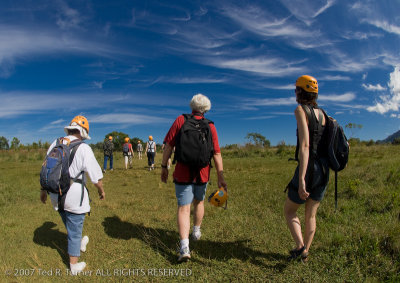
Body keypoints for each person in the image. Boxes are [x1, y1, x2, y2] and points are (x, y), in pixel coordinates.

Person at [161, 93, 227, 262]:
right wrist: (220, 176)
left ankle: (184, 247)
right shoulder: (210, 126)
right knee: (199, 202)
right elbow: (217, 153)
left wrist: (164, 167)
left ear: (192, 107)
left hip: (182, 171)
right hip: (203, 173)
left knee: (183, 208)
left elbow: (169, 146)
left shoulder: (180, 120)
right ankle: (196, 231)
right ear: (206, 109)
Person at [40, 115, 105, 275]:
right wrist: (101, 191)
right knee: (75, 230)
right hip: (74, 196)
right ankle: (74, 266)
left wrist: (43, 190)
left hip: (56, 194)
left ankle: (79, 242)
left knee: (70, 224)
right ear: (83, 133)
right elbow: (96, 178)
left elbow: (45, 169)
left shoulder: (54, 143)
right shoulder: (84, 148)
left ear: (69, 128)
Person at [284, 75, 330, 262]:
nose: (295, 92)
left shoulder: (300, 110)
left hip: (310, 167)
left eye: (296, 89)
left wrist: (302, 178)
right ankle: (305, 253)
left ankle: (300, 247)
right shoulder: (325, 115)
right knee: (311, 215)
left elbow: (304, 146)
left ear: (301, 91)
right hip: (324, 169)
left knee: (289, 210)